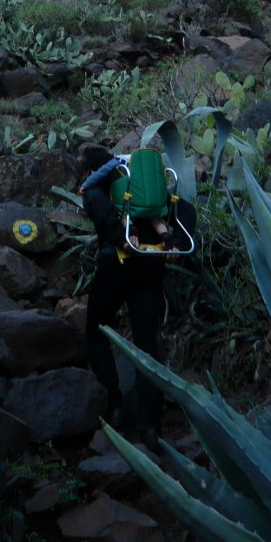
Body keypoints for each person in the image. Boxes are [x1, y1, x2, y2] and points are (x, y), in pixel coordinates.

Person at [79, 144, 196, 449]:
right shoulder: (144, 192)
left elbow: (100, 211)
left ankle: (114, 404)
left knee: (96, 332)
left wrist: (120, 239)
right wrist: (176, 241)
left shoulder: (97, 190)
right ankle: (151, 427)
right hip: (150, 267)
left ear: (93, 171)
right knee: (146, 343)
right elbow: (186, 209)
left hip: (116, 266)